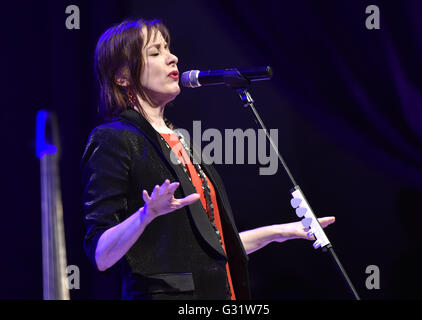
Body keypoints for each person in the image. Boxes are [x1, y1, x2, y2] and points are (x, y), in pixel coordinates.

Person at [82, 18, 335, 300]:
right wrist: (146, 214)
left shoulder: (181, 140)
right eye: (155, 52)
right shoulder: (113, 139)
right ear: (122, 76)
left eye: (168, 48)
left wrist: (279, 232)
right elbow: (101, 254)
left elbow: (210, 250)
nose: (172, 57)